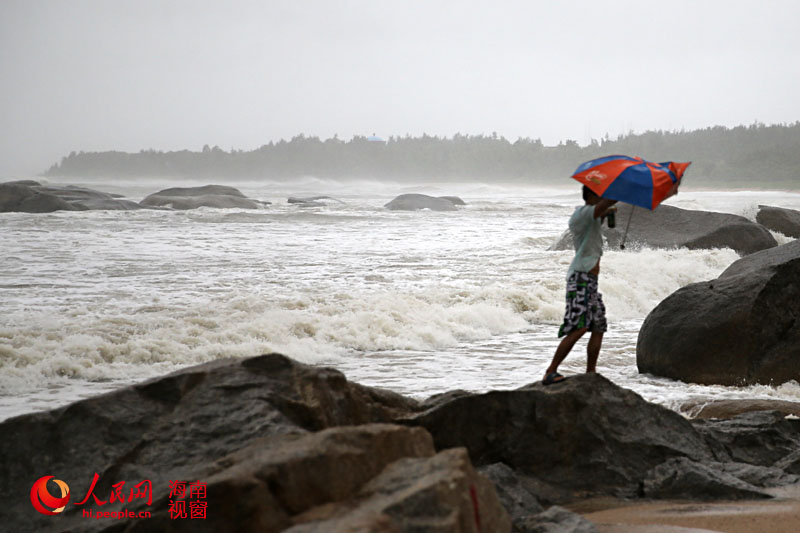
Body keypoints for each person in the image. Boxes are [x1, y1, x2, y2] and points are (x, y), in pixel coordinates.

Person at [543, 185, 617, 385]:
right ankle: (550, 371)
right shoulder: (583, 213)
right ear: (592, 195)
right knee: (579, 327)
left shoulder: (590, 217)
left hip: (590, 281)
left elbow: (600, 218)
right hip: (580, 278)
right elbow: (605, 203)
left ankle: (591, 373)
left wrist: (605, 214)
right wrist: (618, 190)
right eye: (600, 194)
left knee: (599, 324)